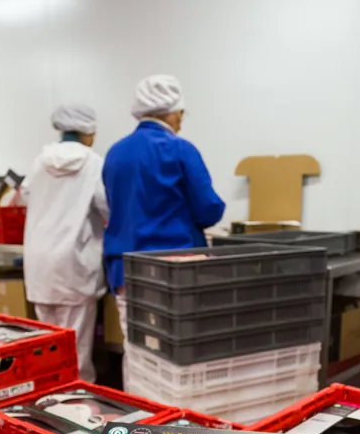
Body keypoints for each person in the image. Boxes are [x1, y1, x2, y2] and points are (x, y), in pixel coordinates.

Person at [103, 75, 226, 332]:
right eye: (181, 113)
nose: (181, 120)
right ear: (173, 112)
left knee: (137, 348)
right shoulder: (180, 149)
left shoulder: (115, 153)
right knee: (176, 350)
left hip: (126, 269)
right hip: (174, 268)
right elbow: (209, 208)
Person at [21, 104, 109, 381]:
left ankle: (48, 402)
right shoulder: (94, 163)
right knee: (77, 348)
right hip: (74, 261)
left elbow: (25, 195)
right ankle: (78, 409)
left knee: (47, 345)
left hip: (39, 263)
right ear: (90, 133)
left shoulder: (40, 161)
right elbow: (107, 207)